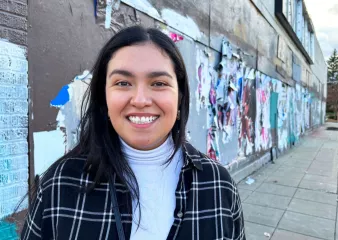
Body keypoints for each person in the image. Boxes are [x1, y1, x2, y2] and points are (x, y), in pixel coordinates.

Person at [21, 26, 245, 240]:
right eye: (123, 82)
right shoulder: (59, 184)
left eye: (158, 83)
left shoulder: (218, 184)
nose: (140, 100)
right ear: (104, 97)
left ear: (180, 98)